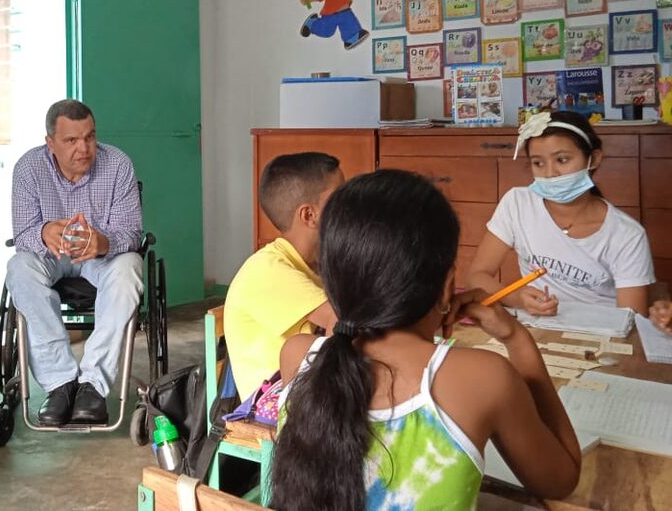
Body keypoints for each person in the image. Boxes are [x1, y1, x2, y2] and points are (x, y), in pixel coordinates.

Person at [271, 170, 581, 511]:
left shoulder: (298, 355)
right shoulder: (484, 377)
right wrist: (516, 338)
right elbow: (561, 481)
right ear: (448, 286)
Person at [6, 99, 143, 426]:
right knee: (18, 267)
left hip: (100, 257)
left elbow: (132, 233)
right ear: (50, 142)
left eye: (90, 137)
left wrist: (104, 241)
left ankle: (93, 385)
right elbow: (22, 235)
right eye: (71, 140)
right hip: (51, 258)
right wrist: (43, 232)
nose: (83, 148)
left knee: (130, 267)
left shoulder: (118, 164)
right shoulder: (28, 168)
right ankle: (60, 383)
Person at [468, 110, 654, 316]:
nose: (550, 173)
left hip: (601, 334)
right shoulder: (518, 203)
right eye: (538, 163)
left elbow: (631, 318)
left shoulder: (627, 234)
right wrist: (517, 298)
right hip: (537, 324)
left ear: (593, 159)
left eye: (562, 160)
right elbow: (478, 276)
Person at [224, 152, 343, 400]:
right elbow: (343, 321)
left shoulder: (315, 265)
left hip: (303, 396)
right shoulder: (267, 270)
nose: (349, 208)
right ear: (309, 215)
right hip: (273, 409)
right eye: (340, 199)